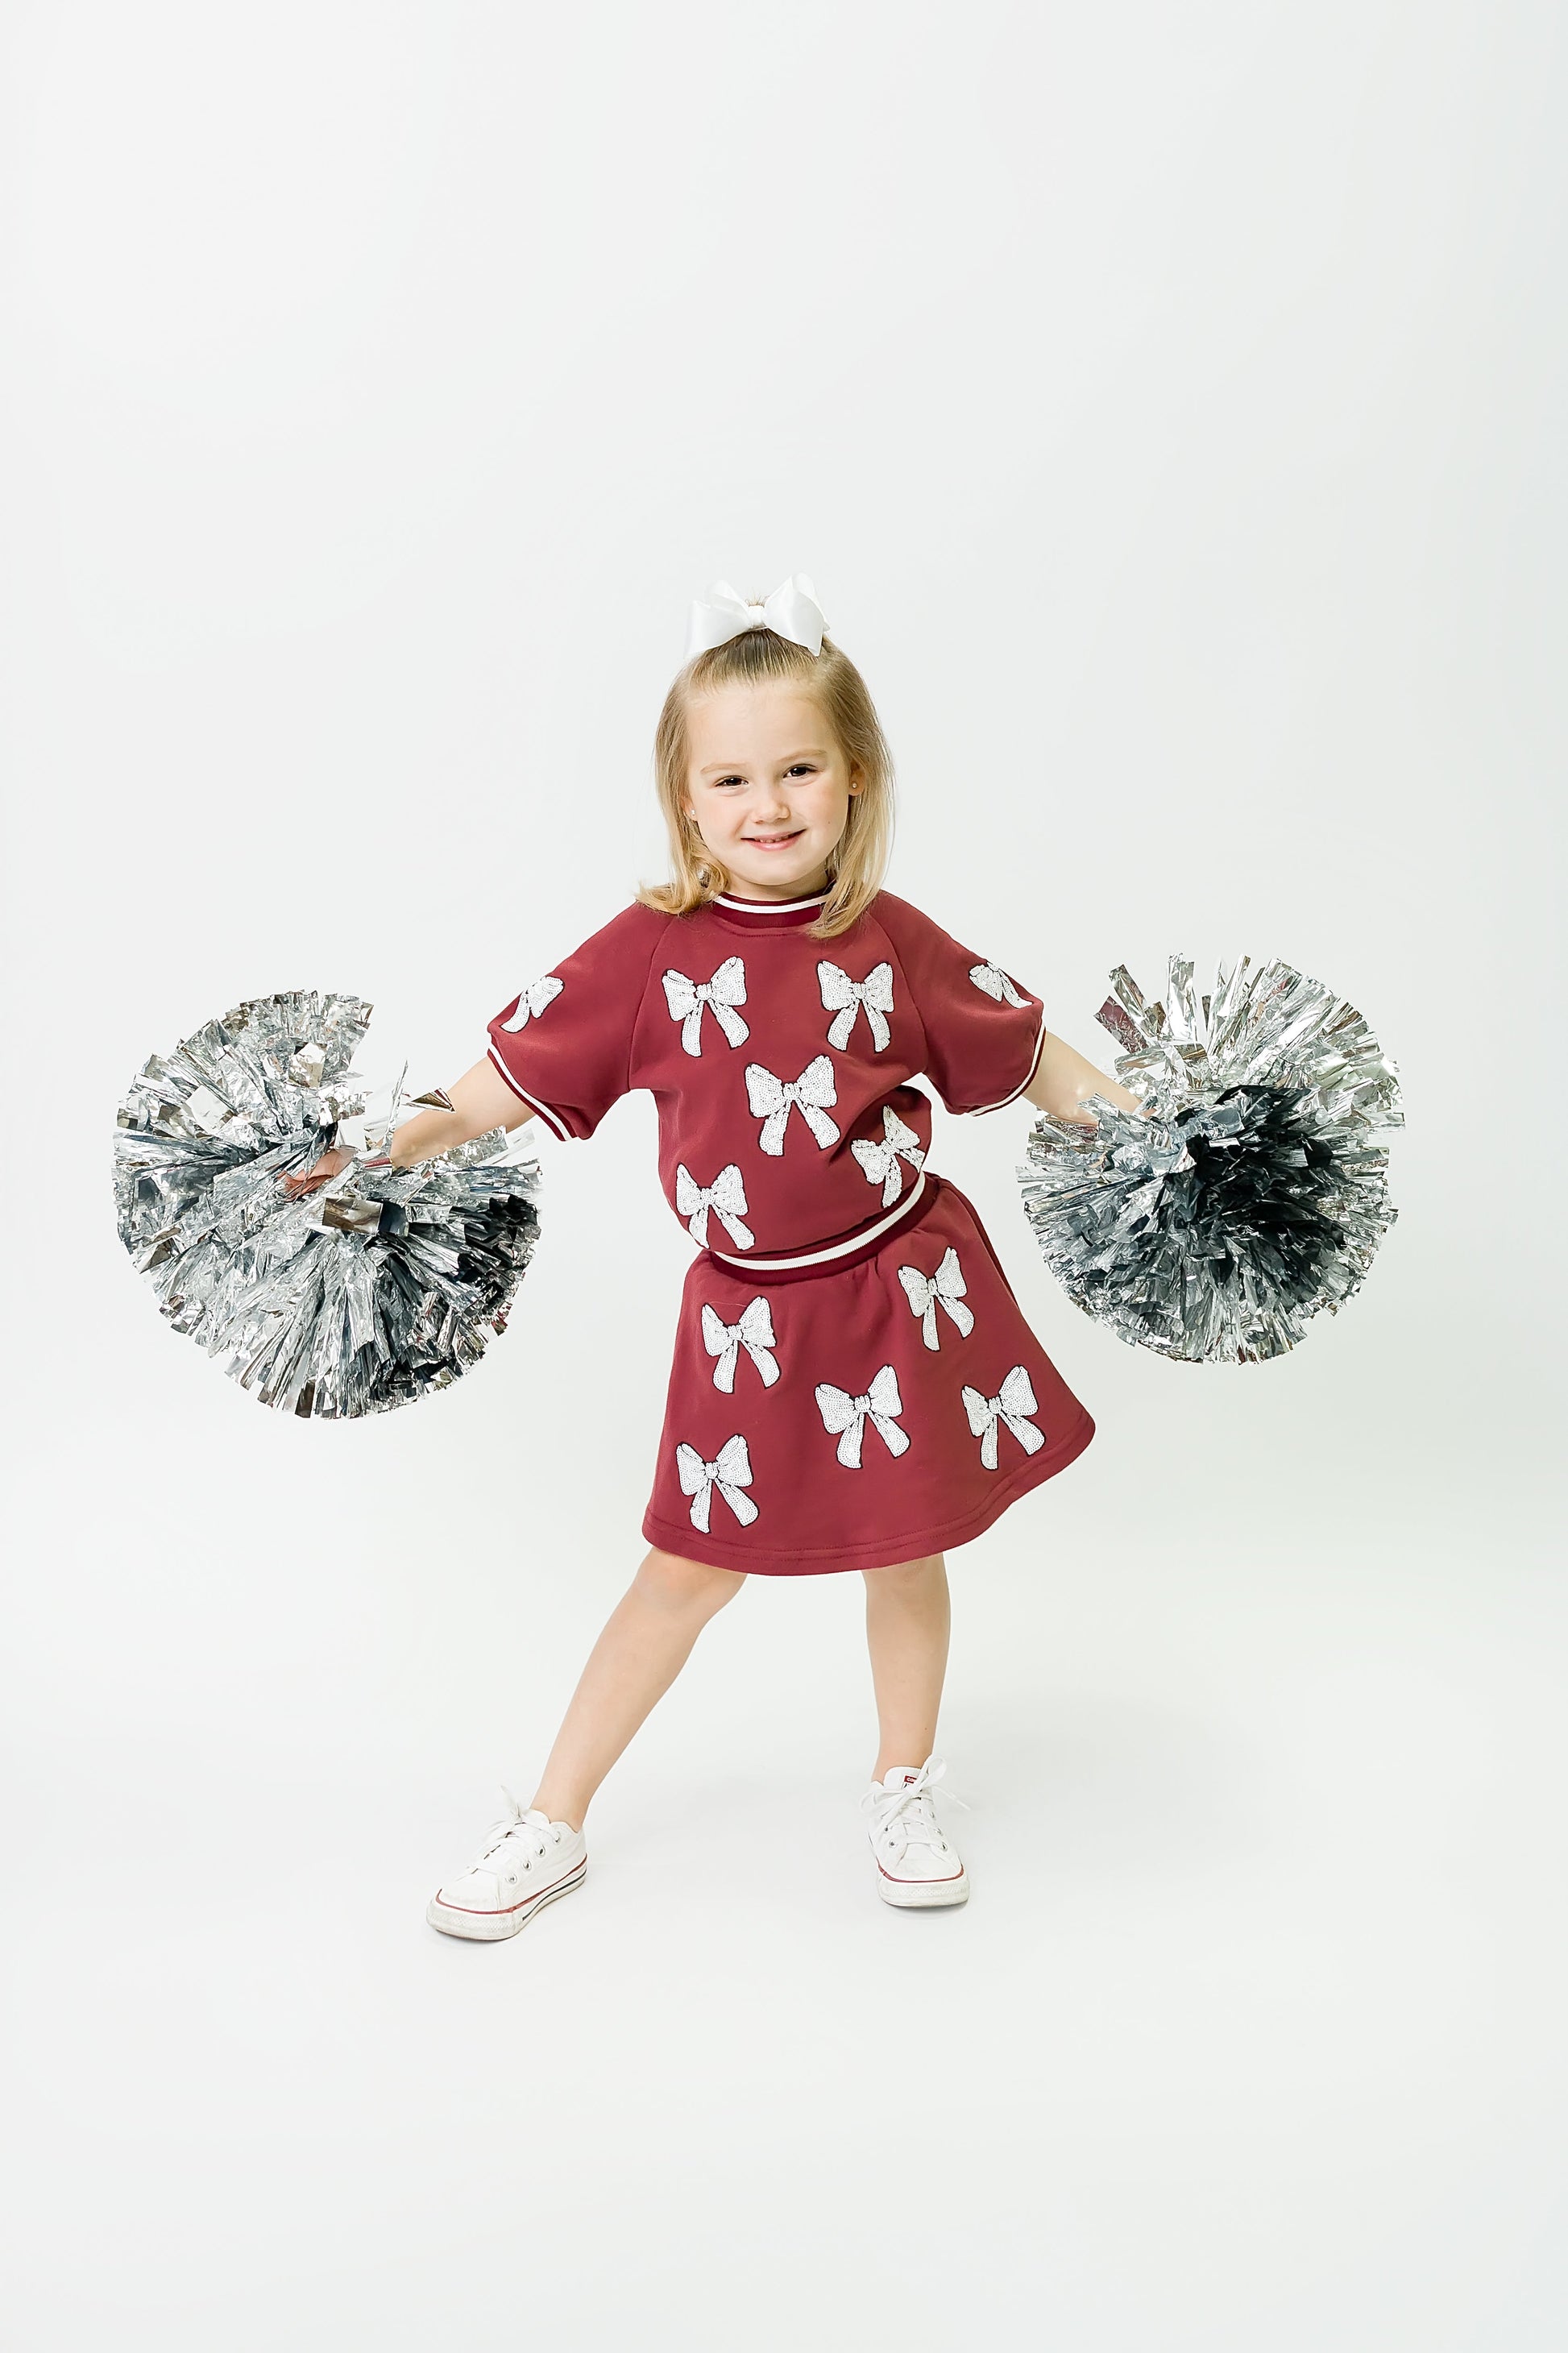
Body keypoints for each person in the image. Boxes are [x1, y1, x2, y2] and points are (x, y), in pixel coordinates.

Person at [288, 576, 1143, 1937]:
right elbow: (498, 1084)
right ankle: (553, 1818)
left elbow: (1028, 1050)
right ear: (685, 801)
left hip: (898, 1289)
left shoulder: (892, 937)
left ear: (854, 777)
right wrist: (381, 1148)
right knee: (686, 1570)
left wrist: (1158, 1132)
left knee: (904, 1550)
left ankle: (903, 1782)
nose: (768, 805)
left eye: (798, 768)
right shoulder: (646, 953)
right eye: (731, 778)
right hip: (748, 1314)